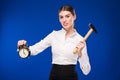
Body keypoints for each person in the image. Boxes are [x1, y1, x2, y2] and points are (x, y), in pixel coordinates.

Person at [17, 5, 91, 80]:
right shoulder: (54, 35)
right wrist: (23, 47)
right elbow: (34, 49)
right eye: (61, 17)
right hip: (54, 76)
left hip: (71, 77)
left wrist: (80, 53)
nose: (64, 20)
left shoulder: (81, 40)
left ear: (74, 16)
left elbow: (86, 71)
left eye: (67, 16)